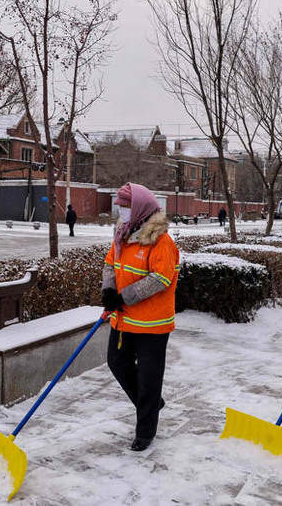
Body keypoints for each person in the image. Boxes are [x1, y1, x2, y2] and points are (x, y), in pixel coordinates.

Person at [101, 183, 180, 451]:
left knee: (149, 378)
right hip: (123, 319)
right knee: (116, 362)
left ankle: (145, 430)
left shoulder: (161, 240)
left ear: (139, 209)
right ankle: (152, 404)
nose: (120, 211)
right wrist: (109, 291)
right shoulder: (122, 234)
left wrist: (125, 296)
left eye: (125, 207)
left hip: (152, 323)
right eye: (119, 206)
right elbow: (110, 263)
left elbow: (161, 278)